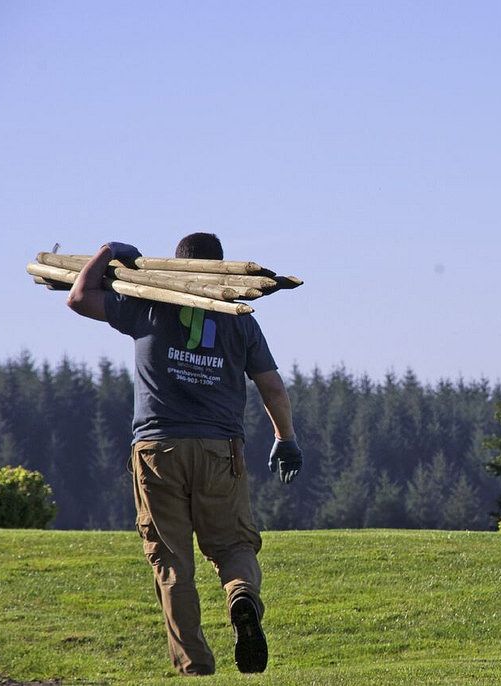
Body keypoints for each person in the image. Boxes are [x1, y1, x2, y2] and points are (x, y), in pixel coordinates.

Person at [66, 233, 303, 676]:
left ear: (174, 265)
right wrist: (284, 438)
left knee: (171, 559)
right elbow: (271, 385)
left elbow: (80, 297)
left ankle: (194, 664)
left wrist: (109, 252)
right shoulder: (239, 316)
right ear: (222, 266)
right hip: (220, 450)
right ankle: (240, 596)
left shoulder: (147, 304)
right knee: (233, 545)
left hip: (157, 450)